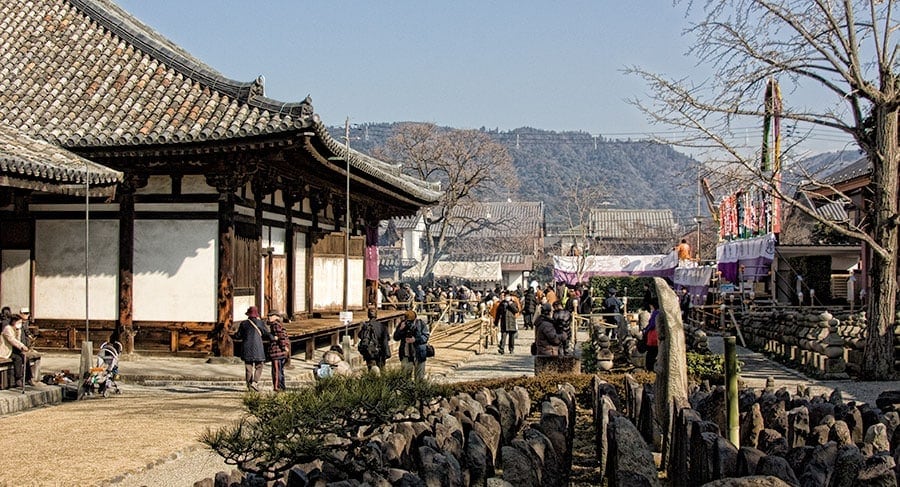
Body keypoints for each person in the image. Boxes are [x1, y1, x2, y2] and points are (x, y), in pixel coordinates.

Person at [233, 306, 271, 391]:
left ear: (248, 315)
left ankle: (249, 386)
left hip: (247, 347)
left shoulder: (244, 323)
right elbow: (266, 333)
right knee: (259, 365)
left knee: (248, 367)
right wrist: (273, 338)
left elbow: (238, 335)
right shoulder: (260, 323)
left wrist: (234, 335)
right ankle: (255, 382)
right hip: (258, 347)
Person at [0, 307, 40, 387]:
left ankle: (29, 378)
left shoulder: (18, 329)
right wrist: (22, 347)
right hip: (7, 350)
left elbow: (18, 340)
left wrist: (24, 347)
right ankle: (18, 378)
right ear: (14, 322)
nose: (20, 324)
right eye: (19, 322)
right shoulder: (7, 329)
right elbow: (12, 340)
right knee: (18, 358)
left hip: (14, 349)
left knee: (25, 357)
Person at [393, 310, 430, 380]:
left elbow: (426, 337)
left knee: (419, 378)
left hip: (419, 354)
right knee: (405, 377)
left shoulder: (420, 324)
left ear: (415, 319)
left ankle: (418, 389)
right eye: (408, 321)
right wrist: (400, 329)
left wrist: (415, 339)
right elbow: (395, 338)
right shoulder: (403, 324)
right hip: (406, 354)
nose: (409, 323)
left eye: (411, 321)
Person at [359, 307, 390, 371]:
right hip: (380, 352)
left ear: (368, 315)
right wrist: (387, 353)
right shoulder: (382, 326)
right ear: (376, 315)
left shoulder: (365, 326)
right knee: (381, 370)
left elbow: (360, 336)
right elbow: (386, 340)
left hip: (369, 352)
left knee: (371, 370)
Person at [266, 310, 290, 392]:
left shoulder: (275, 325)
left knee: (276, 371)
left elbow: (281, 337)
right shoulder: (278, 324)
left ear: (276, 316)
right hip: (280, 352)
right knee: (280, 370)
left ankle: (277, 387)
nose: (269, 317)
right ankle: (282, 386)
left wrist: (284, 347)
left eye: (271, 316)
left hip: (277, 351)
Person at [642, 300, 660, 371]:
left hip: (653, 334)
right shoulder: (660, 312)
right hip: (657, 334)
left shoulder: (655, 313)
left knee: (651, 352)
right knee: (655, 351)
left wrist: (646, 330)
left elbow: (652, 324)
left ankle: (649, 367)